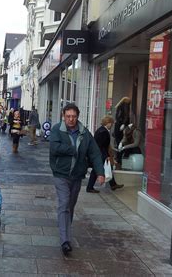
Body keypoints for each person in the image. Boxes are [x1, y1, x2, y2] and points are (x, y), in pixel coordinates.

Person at [50, 103, 105, 256]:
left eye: (73, 116)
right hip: (61, 174)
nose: (71, 119)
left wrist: (100, 172)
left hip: (77, 176)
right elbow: (54, 148)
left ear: (77, 117)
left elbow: (94, 153)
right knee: (64, 204)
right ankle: (65, 240)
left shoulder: (85, 133)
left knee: (70, 206)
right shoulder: (57, 130)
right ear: (63, 116)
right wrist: (72, 149)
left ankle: (65, 233)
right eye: (68, 116)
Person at [86, 115, 124, 193]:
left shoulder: (101, 130)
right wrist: (106, 156)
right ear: (108, 123)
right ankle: (90, 187)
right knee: (96, 170)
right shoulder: (103, 132)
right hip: (100, 154)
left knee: (107, 168)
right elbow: (101, 146)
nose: (112, 125)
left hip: (99, 154)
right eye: (111, 123)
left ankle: (113, 184)